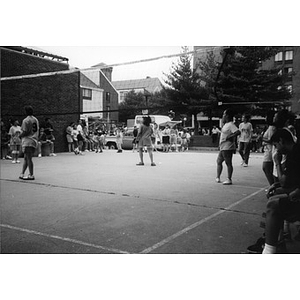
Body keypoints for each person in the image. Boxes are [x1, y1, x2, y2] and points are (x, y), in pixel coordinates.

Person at [262, 128, 300, 254]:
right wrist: (276, 184)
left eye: (276, 145)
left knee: (273, 204)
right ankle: (278, 238)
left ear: (281, 141)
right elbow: (288, 180)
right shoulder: (292, 153)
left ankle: (269, 250)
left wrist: (277, 162)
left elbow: (285, 181)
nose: (276, 149)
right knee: (274, 194)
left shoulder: (295, 154)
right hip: (295, 189)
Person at [216, 109, 241, 185]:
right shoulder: (225, 125)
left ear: (227, 116)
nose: (223, 116)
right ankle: (218, 177)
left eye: (224, 114)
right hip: (223, 146)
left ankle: (229, 178)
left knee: (228, 162)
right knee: (219, 161)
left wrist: (231, 136)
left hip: (228, 146)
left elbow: (238, 132)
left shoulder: (230, 124)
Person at [19, 106, 39, 180]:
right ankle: (22, 173)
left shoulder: (26, 120)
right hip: (33, 140)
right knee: (26, 158)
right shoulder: (35, 119)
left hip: (28, 140)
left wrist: (20, 136)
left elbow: (25, 131)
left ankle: (31, 174)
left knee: (28, 158)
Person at [262, 111, 276, 185]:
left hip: (269, 150)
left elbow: (271, 140)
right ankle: (273, 184)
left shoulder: (271, 128)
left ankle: (272, 184)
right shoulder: (270, 128)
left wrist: (262, 138)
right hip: (268, 149)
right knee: (268, 168)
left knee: (266, 167)